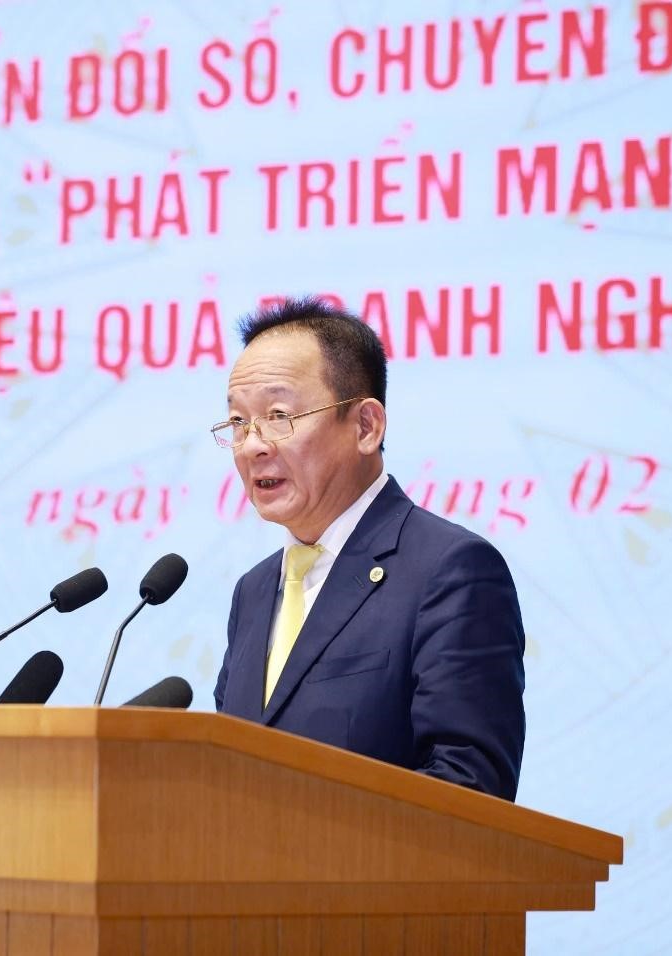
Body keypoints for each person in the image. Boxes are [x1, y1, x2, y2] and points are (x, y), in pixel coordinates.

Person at [212, 297, 526, 801]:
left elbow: (471, 788)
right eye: (238, 423)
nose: (252, 445)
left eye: (278, 415)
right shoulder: (254, 591)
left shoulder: (449, 571)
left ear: (365, 427)